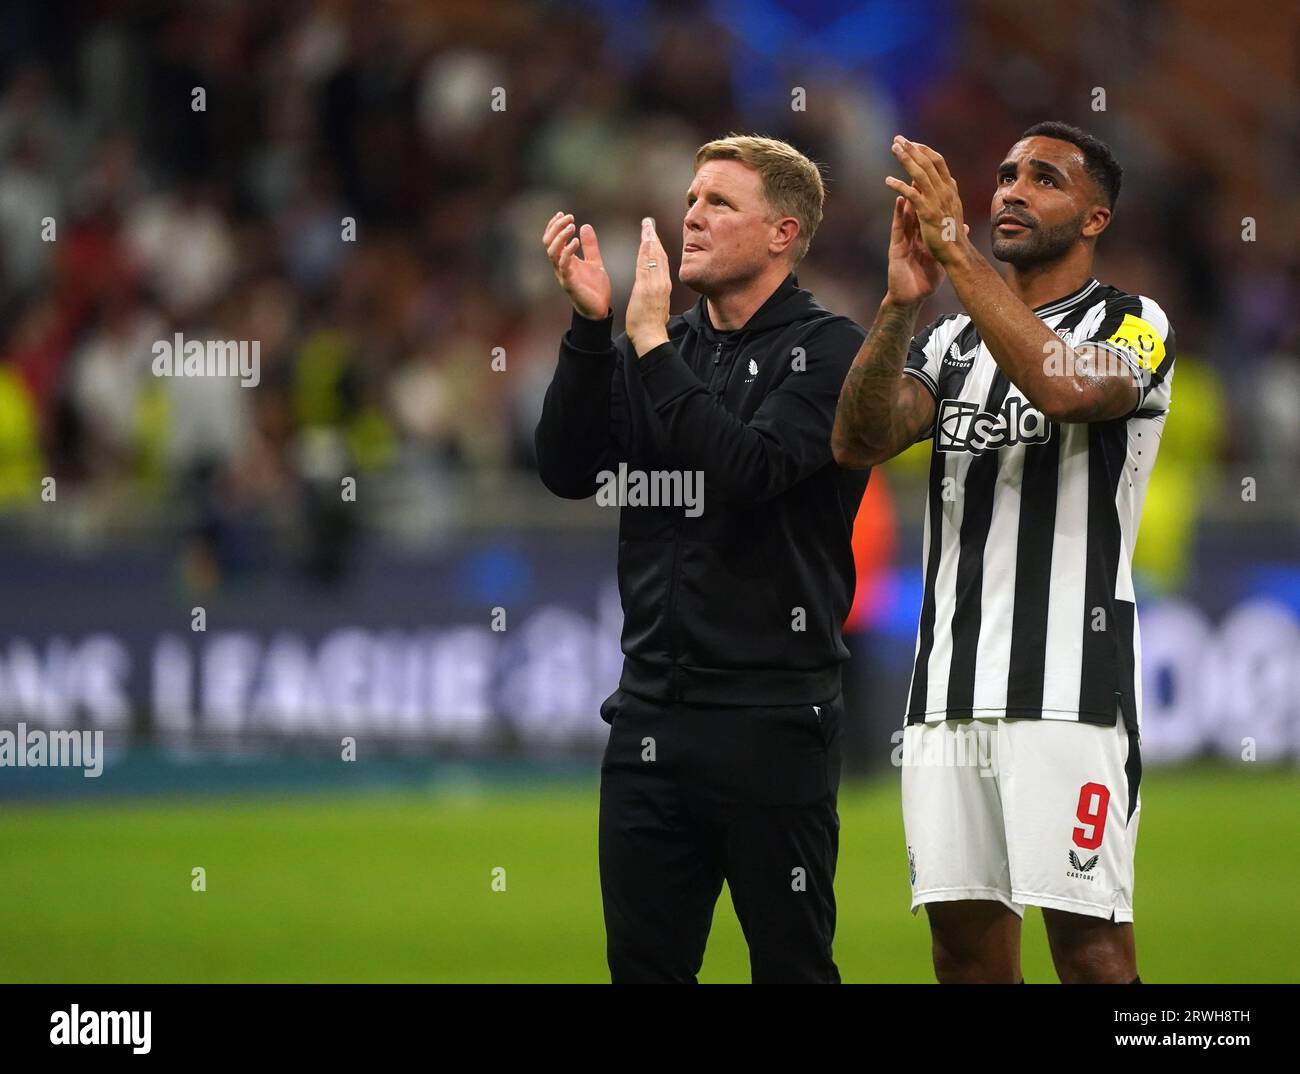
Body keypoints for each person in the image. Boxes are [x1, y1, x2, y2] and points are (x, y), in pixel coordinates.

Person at [833, 122, 1174, 983]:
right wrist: (903, 301)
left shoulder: (1134, 322)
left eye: (1044, 179)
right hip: (946, 691)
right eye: (1006, 173)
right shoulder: (951, 343)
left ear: (1095, 219)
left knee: (1091, 950)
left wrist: (953, 249)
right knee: (964, 954)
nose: (1012, 190)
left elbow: (1064, 387)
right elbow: (858, 438)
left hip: (1068, 690)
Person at [535, 135, 867, 983]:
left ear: (783, 233)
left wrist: (648, 348)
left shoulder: (829, 352)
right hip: (649, 716)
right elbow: (567, 469)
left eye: (720, 202)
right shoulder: (661, 341)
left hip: (773, 717)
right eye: (690, 198)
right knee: (645, 970)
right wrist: (590, 328)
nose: (692, 214)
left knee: (792, 968)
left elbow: (748, 473)